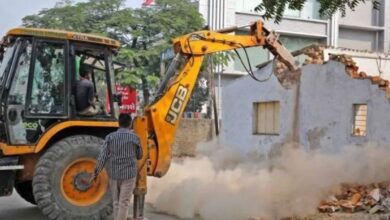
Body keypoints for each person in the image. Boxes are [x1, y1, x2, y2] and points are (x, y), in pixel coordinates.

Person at [90, 114, 143, 220]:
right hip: (129, 175)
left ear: (119, 124)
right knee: (124, 203)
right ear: (130, 124)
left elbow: (103, 157)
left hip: (114, 175)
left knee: (116, 202)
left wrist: (95, 173)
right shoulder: (135, 138)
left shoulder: (110, 137)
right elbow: (139, 155)